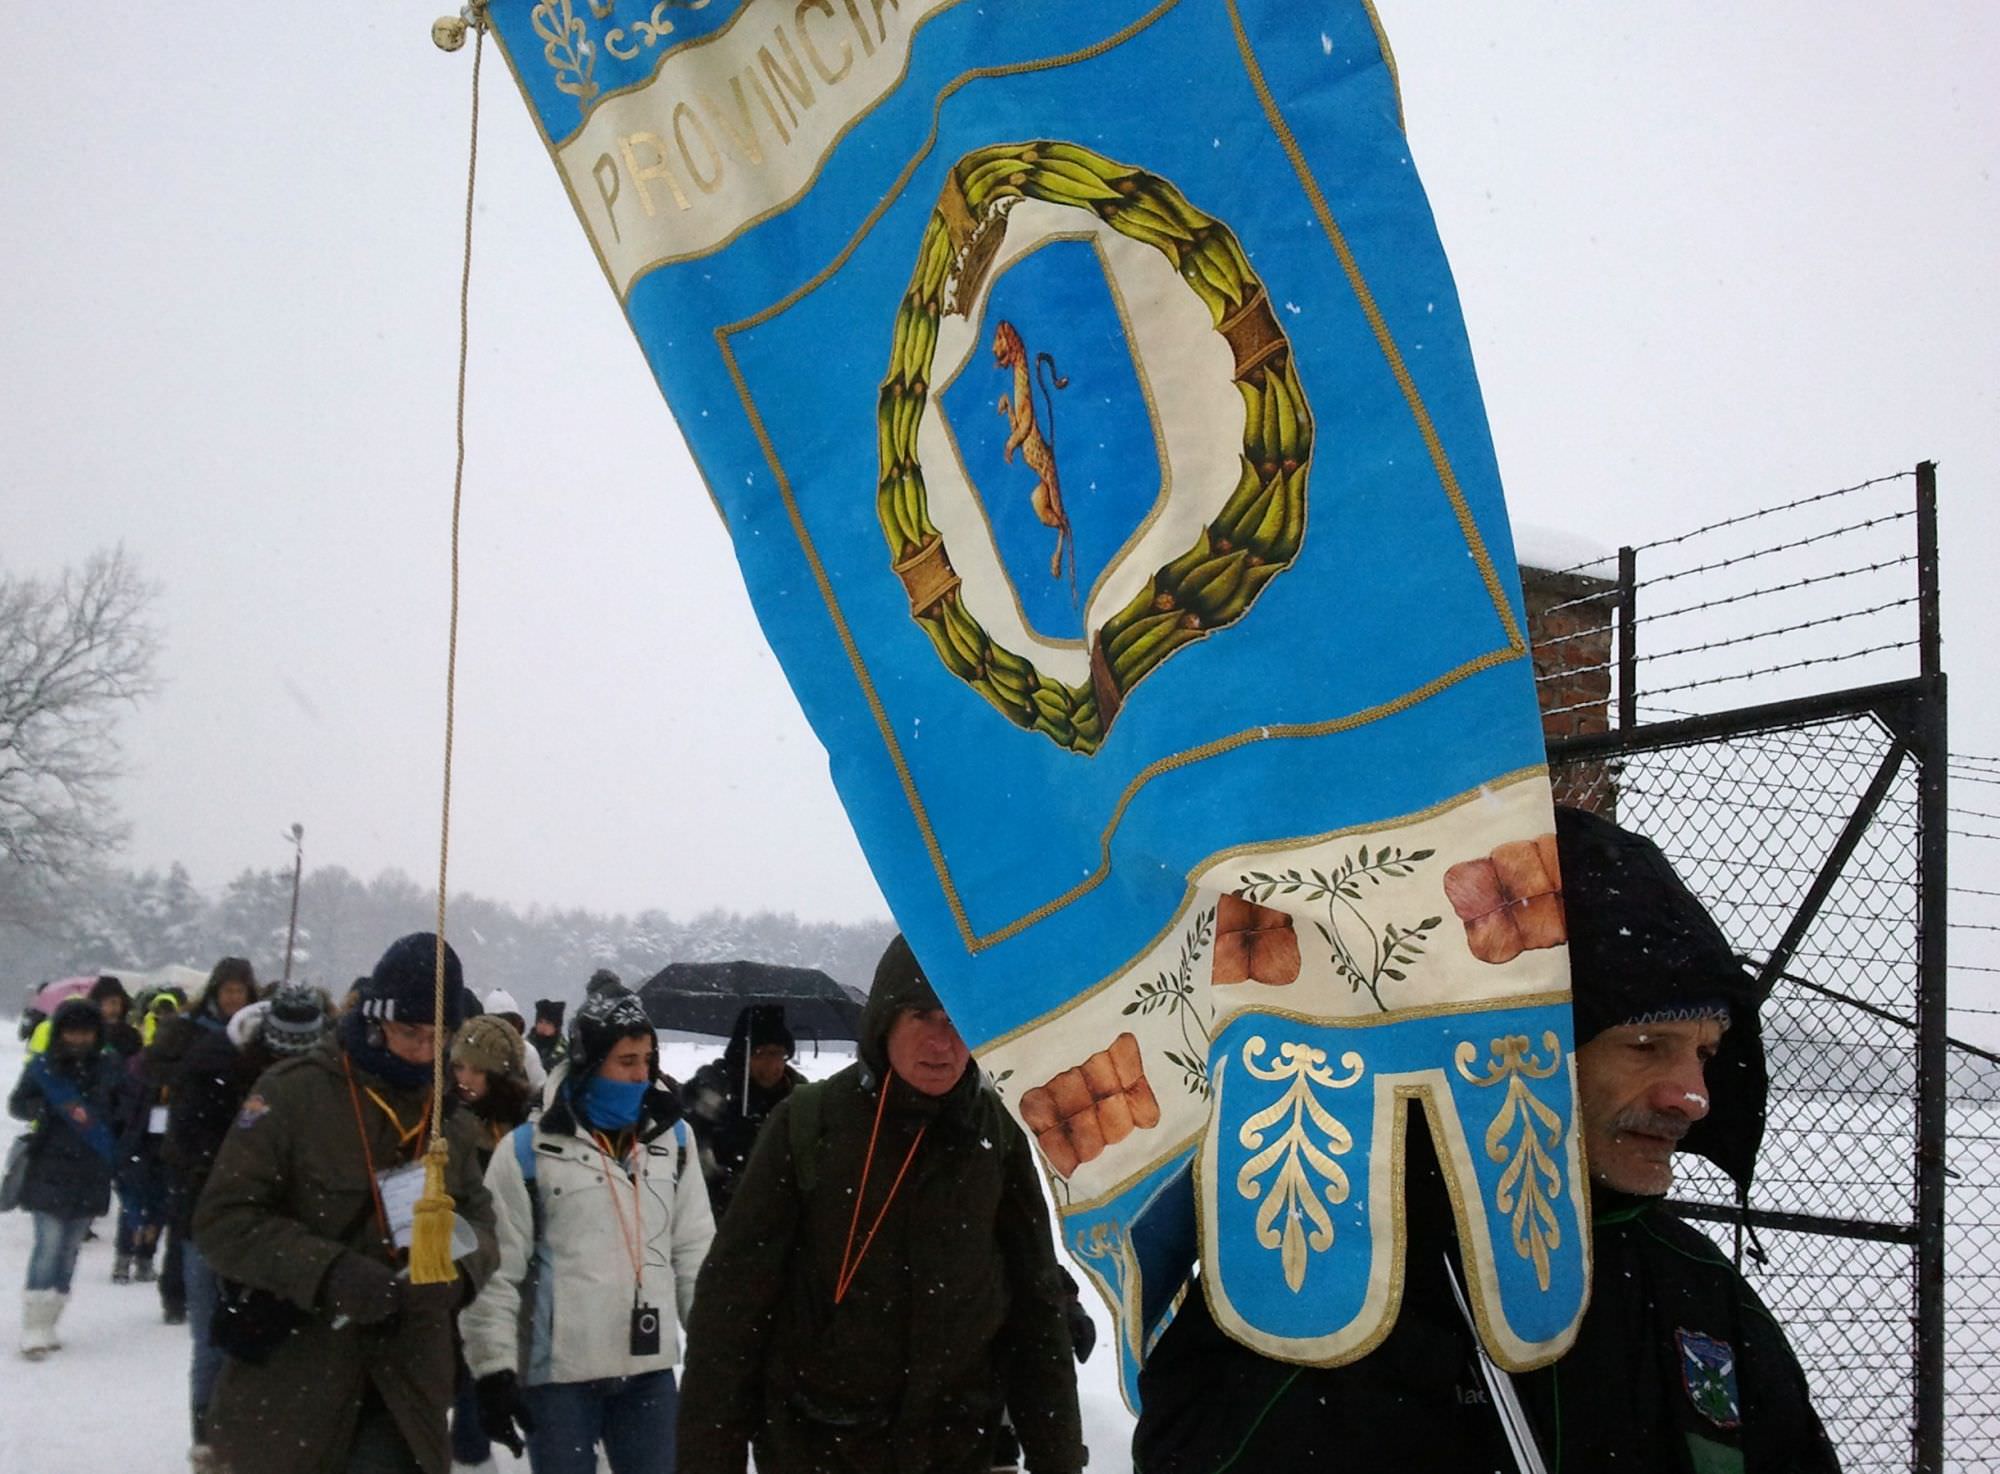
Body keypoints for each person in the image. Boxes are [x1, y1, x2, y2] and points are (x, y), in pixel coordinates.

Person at [1131, 806, 1842, 1474]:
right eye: (1647, 1045)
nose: (1693, 1096)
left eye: (1707, 1055)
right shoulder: (1319, 1286)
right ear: (1513, 1046)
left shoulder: (1695, 1285)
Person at [676, 936, 1084, 1474]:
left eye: (957, 1018)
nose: (943, 1042)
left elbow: (1035, 1307)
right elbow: (732, 1311)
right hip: (818, 1450)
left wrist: (1058, 1455)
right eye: (923, 1016)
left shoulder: (995, 1136)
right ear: (885, 1019)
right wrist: (710, 1457)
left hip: (956, 1449)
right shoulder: (809, 1125)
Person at [193, 934, 497, 1474]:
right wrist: (330, 1272)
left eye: (438, 1036)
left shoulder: (448, 1115)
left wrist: (458, 1273)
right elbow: (224, 1220)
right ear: (376, 1018)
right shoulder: (294, 1092)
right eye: (409, 1032)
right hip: (297, 1372)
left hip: (407, 1382)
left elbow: (480, 1219)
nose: (423, 1050)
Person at [463, 989, 715, 1474]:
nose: (641, 1074)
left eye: (647, 1060)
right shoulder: (527, 1151)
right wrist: (493, 1368)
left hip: (649, 1375)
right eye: (626, 1061)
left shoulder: (674, 1141)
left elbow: (695, 1252)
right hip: (560, 1380)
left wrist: (713, 1348)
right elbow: (497, 1273)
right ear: (589, 1062)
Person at [445, 1013, 539, 1471]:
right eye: (459, 1066)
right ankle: (470, 1458)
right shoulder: (445, 1122)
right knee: (467, 1370)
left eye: (477, 1069)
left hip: (517, 1263)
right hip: (463, 1261)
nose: (465, 1078)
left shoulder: (529, 1125)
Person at [10, 997, 127, 1359]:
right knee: (48, 1245)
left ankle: (51, 1320)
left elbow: (123, 1109)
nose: (79, 1039)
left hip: (91, 1168)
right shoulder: (44, 1067)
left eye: (86, 1032)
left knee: (70, 1249)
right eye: (72, 1032)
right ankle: (33, 1326)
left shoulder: (110, 1066)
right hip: (49, 1165)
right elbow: (17, 1103)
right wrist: (43, 1108)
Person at [682, 1003, 805, 1218]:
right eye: (761, 1053)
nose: (772, 1064)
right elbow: (688, 1157)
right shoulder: (713, 1089)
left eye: (779, 1054)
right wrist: (725, 1157)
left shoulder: (798, 1095)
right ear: (742, 1054)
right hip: (719, 1216)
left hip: (780, 1217)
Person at [483, 988, 549, 1091]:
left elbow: (541, 1090)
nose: (502, 1029)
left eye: (507, 1022)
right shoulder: (476, 1052)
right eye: (496, 1023)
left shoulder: (526, 1052)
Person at [91, 975, 144, 1058]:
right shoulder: (90, 1034)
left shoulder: (131, 1035)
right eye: (109, 1003)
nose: (113, 1008)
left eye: (116, 1003)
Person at [528, 999, 568, 1074]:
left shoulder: (565, 1051)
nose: (543, 1026)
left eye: (548, 1023)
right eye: (540, 1022)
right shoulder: (525, 1046)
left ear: (556, 1027)